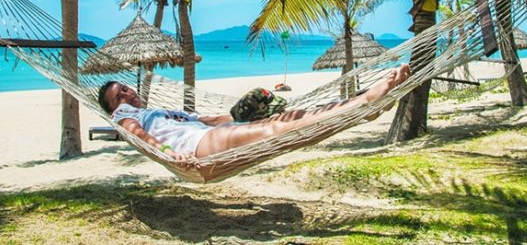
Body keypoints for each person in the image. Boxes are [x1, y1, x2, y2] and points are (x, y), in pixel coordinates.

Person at [97, 64, 411, 165]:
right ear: (114, 106)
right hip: (195, 149)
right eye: (118, 95)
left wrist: (238, 114)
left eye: (125, 88)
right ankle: (365, 104)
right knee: (274, 132)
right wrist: (169, 154)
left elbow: (204, 119)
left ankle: (358, 109)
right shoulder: (124, 115)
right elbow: (139, 135)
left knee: (288, 118)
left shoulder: (156, 110)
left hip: (208, 133)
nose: (126, 94)